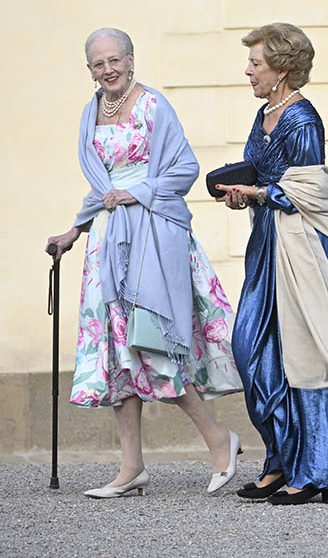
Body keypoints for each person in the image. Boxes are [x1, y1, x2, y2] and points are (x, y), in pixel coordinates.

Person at [46, 27, 243, 498]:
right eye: (98, 63)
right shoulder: (89, 113)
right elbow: (101, 186)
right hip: (107, 242)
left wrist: (134, 192)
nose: (108, 70)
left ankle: (220, 441)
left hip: (153, 235)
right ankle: (131, 466)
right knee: (117, 352)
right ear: (89, 69)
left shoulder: (155, 106)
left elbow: (185, 169)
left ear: (131, 60)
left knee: (155, 344)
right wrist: (75, 229)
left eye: (115, 60)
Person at [214, 22, 328, 505]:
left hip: (306, 245)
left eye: (256, 63)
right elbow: (264, 174)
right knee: (251, 349)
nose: (248, 70)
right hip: (268, 242)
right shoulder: (264, 113)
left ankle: (315, 473)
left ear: (282, 69)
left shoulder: (303, 118)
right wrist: (244, 194)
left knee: (306, 355)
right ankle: (282, 458)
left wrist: (260, 192)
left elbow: (310, 189)